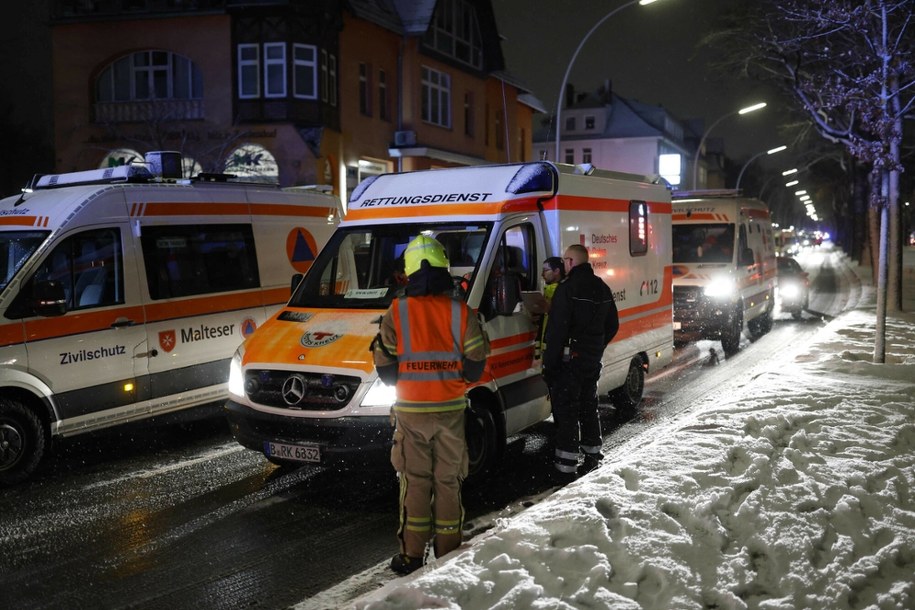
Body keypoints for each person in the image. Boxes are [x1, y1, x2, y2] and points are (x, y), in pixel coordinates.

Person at [373, 235, 490, 575]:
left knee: (415, 481)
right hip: (451, 409)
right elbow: (474, 365)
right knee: (448, 481)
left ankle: (411, 556)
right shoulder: (460, 312)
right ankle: (448, 552)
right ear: (443, 269)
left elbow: (386, 370)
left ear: (408, 271)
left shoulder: (396, 312)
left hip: (411, 413)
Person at [542, 244, 619, 481]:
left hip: (569, 361)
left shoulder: (567, 290)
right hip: (591, 360)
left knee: (567, 413)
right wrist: (596, 348)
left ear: (571, 263)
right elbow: (613, 325)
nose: (564, 264)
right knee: (589, 407)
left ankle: (566, 468)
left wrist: (549, 365)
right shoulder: (602, 287)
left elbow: (556, 331)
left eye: (565, 260)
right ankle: (593, 455)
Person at [537, 256, 566, 357]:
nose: (542, 274)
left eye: (545, 270)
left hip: (555, 349)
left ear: (557, 271)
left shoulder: (562, 291)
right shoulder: (550, 290)